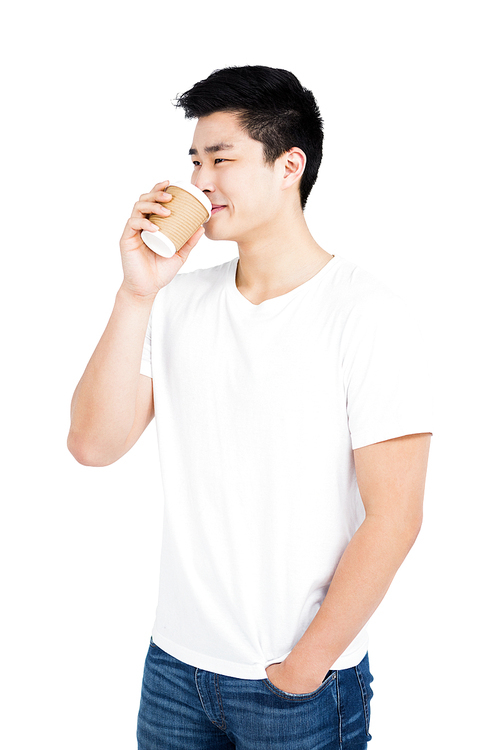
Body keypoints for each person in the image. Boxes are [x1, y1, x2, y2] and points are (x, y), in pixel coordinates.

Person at [67, 65, 433, 749]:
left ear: (289, 164)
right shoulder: (176, 301)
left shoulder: (365, 312)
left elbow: (397, 516)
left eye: (222, 159)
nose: (200, 180)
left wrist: (306, 666)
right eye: (195, 160)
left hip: (296, 685)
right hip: (175, 670)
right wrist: (136, 292)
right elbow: (92, 444)